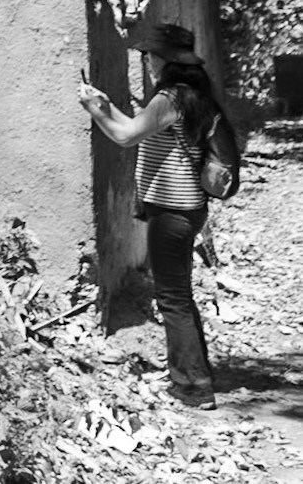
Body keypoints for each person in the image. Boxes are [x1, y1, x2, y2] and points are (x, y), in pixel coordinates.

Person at [76, 23, 223, 410]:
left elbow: (124, 138)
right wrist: (107, 107)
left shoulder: (169, 98)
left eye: (149, 55)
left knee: (173, 301)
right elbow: (135, 128)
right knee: (180, 298)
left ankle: (193, 387)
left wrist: (94, 111)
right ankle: (195, 373)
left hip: (171, 213)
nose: (146, 62)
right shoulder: (192, 96)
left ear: (165, 60)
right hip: (188, 209)